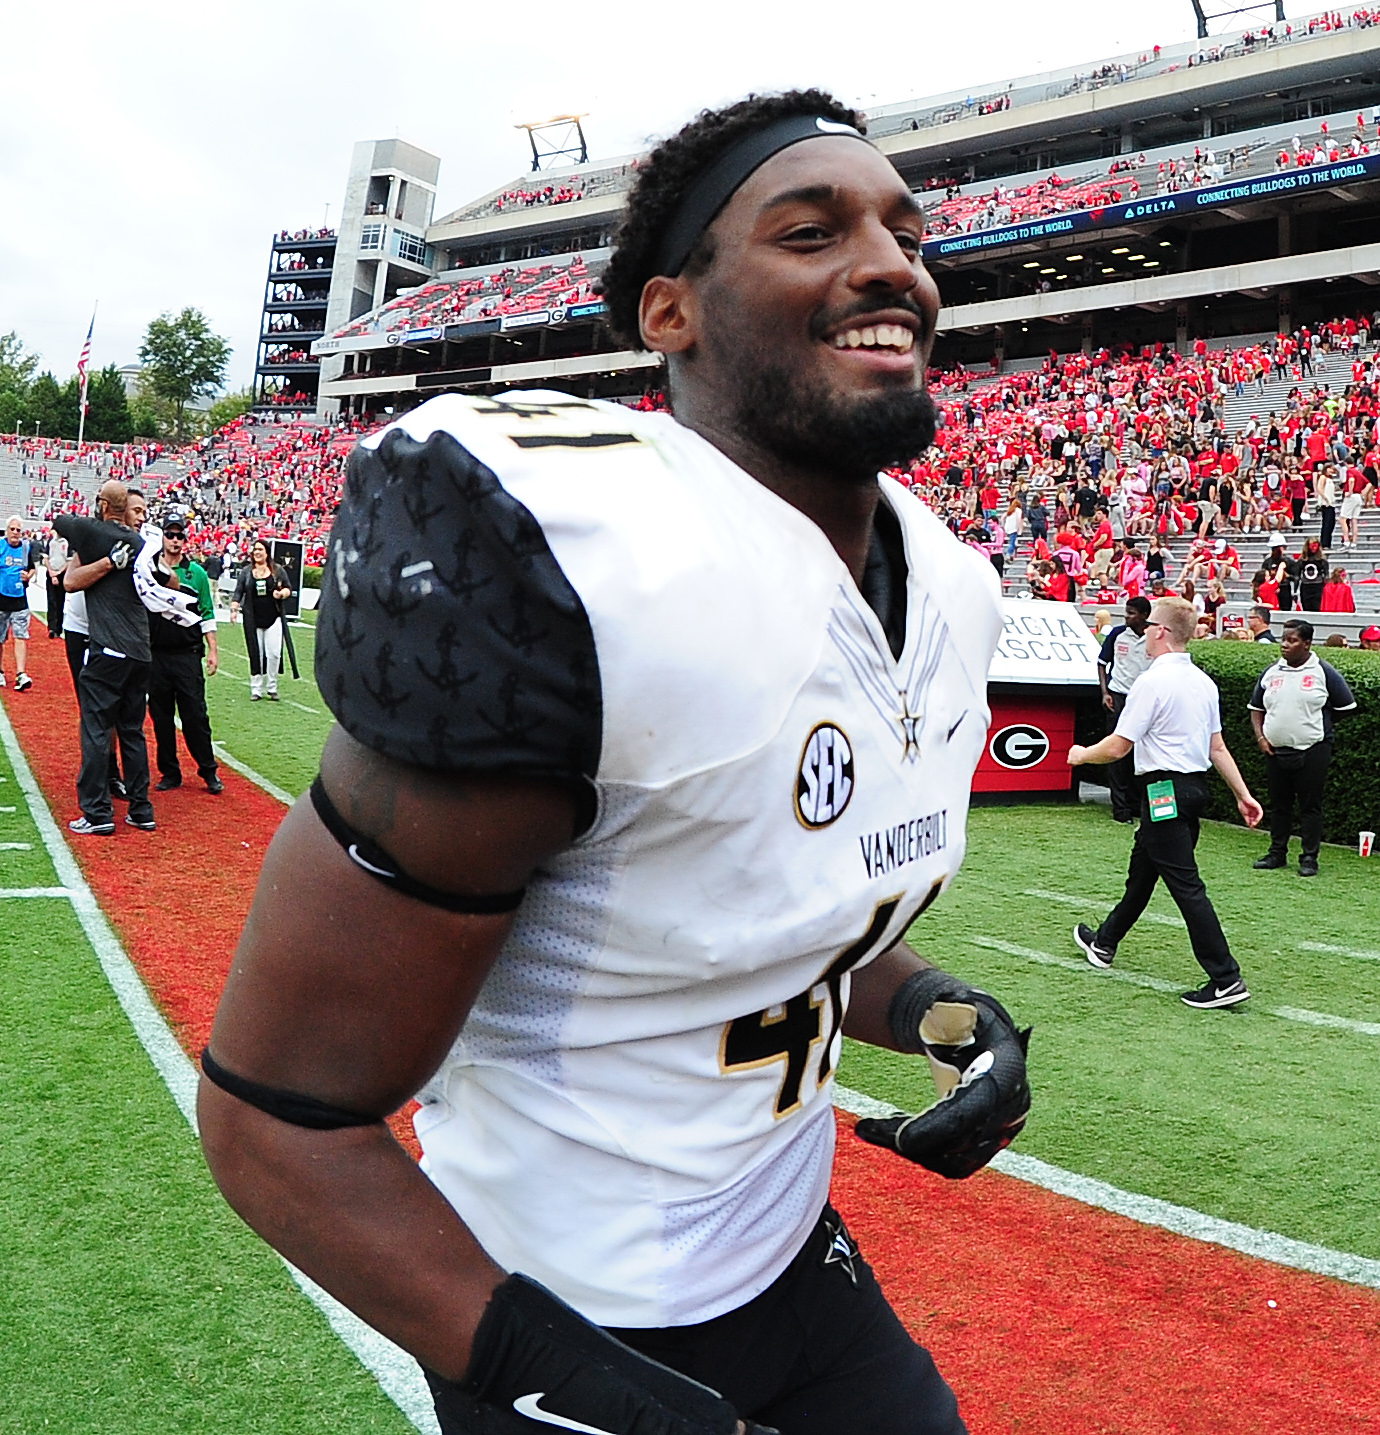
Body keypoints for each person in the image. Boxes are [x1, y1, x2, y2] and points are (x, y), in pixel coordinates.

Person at [198, 92, 1032, 1435]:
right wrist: (580, 1387)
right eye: (811, 230)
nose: (889, 264)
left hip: (786, 1256)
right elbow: (278, 1117)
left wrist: (939, 1009)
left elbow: (754, 903)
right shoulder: (570, 560)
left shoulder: (951, 584)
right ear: (669, 315)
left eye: (904, 232)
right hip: (550, 1299)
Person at [1067, 595, 1264, 1009]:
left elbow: (1120, 746)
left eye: (1149, 626)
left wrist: (1082, 754)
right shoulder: (1203, 683)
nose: (1143, 634)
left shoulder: (1152, 682)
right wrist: (1243, 795)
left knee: (1186, 887)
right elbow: (1218, 748)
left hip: (1163, 792)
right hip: (1190, 790)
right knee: (1143, 874)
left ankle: (1225, 977)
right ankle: (1104, 943)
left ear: (1161, 631)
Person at [55, 482, 155, 835]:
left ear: (101, 506)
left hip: (109, 647)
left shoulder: (93, 531)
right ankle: (141, 809)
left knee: (96, 728)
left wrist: (96, 545)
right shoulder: (143, 543)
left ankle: (97, 812)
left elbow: (61, 522)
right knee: (132, 731)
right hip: (141, 650)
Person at [1248, 619, 1356, 878]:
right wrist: (1262, 738)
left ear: (1307, 644)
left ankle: (1309, 857)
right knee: (1279, 805)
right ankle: (1277, 853)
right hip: (1275, 750)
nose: (1285, 645)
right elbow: (1256, 708)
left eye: (1292, 640)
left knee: (1310, 806)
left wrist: (1317, 727)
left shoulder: (1323, 671)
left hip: (1313, 750)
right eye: (1284, 639)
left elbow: (1346, 707)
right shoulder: (1272, 672)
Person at [148, 513, 223, 794]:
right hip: (156, 654)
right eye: (171, 534)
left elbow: (207, 613)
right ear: (162, 537)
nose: (175, 540)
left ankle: (208, 770)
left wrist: (213, 650)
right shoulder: (149, 570)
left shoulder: (198, 574)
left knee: (195, 716)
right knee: (161, 717)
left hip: (187, 654)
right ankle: (170, 772)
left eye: (180, 535)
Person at [1097, 594, 1152, 822]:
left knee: (1141, 752)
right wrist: (1105, 692)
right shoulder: (1117, 634)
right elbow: (1102, 663)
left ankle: (1137, 804)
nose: (1127, 617)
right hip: (1119, 696)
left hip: (1146, 700)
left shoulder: (1155, 635)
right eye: (1126, 612)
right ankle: (1120, 809)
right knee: (1117, 752)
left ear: (1145, 616)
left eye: (1132, 613)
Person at [230, 540, 292, 700]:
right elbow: (238, 591)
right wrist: (234, 609)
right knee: (256, 653)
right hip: (252, 618)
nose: (257, 552)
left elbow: (288, 588)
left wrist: (281, 594)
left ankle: (272, 686)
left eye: (260, 549)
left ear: (267, 552)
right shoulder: (246, 572)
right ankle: (256, 688)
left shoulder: (277, 570)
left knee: (274, 653)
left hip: (273, 617)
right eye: (255, 549)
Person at [0, 515, 40, 690]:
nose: (15, 533)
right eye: (13, 529)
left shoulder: (26, 548)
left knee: (21, 636)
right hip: (1, 599)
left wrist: (29, 575)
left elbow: (32, 568)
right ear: (7, 530)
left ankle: (21, 673)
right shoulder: (1, 546)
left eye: (18, 530)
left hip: (20, 599)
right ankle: (0, 671)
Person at [44, 525, 68, 639]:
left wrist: (58, 573)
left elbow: (68, 560)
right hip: (51, 573)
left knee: (60, 601)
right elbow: (46, 557)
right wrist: (51, 572)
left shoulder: (67, 542)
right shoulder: (50, 541)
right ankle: (51, 627)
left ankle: (58, 627)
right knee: (51, 600)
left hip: (62, 574)